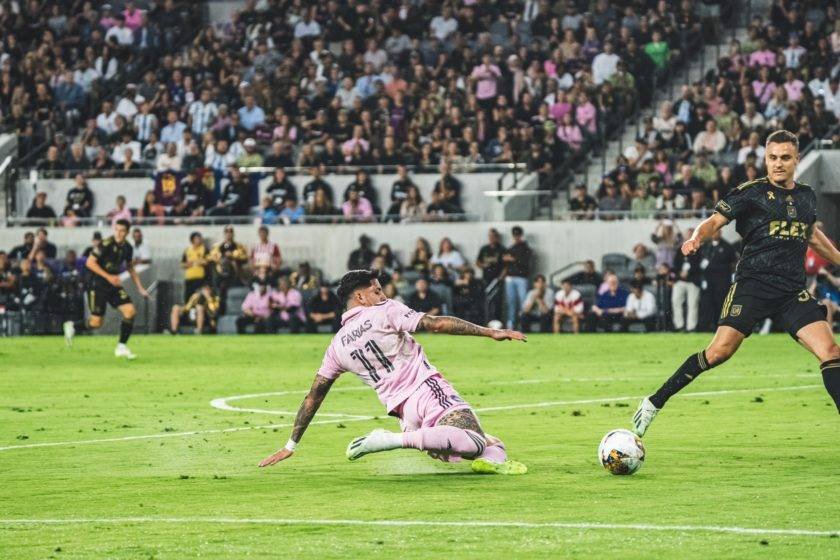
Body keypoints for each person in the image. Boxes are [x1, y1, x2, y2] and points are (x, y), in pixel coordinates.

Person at [632, 131, 840, 438]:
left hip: (791, 292)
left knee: (832, 352)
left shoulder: (806, 195)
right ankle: (654, 401)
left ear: (796, 159)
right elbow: (714, 221)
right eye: (772, 158)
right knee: (718, 353)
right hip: (752, 287)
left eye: (785, 158)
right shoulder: (751, 193)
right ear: (765, 159)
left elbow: (809, 235)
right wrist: (695, 237)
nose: (778, 164)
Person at [257, 269, 528, 475]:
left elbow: (313, 397)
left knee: (492, 444)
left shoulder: (337, 345)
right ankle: (388, 441)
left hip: (404, 414)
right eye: (376, 290)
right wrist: (490, 331)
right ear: (360, 297)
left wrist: (291, 445)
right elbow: (434, 324)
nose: (383, 294)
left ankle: (491, 464)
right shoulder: (384, 311)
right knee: (474, 442)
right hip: (426, 390)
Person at [83, 219, 150, 358]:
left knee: (130, 311)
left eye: (122, 231)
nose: (119, 233)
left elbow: (130, 268)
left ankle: (121, 347)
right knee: (96, 323)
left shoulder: (128, 247)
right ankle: (73, 326)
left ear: (127, 232)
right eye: (117, 230)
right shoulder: (105, 244)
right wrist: (108, 277)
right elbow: (90, 262)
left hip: (113, 284)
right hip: (97, 284)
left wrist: (140, 288)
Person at [502, 226, 533, 329]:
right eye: (515, 235)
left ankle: (523, 325)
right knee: (511, 303)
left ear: (521, 235)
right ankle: (511, 325)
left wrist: (513, 259)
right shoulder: (510, 248)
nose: (516, 237)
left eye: (518, 235)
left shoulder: (526, 248)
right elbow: (505, 262)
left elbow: (525, 262)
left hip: (521, 277)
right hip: (510, 277)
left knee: (523, 303)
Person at [181, 232, 208, 299]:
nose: (199, 240)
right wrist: (194, 262)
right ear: (192, 240)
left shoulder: (204, 249)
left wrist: (194, 262)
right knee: (188, 298)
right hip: (189, 278)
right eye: (197, 239)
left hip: (200, 279)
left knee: (199, 298)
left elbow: (206, 261)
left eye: (199, 238)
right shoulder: (187, 250)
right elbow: (182, 264)